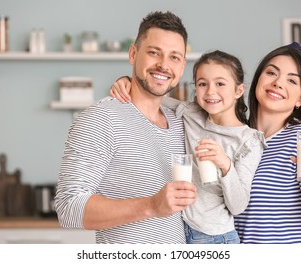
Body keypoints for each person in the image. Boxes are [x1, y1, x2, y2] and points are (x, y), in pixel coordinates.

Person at [54, 11, 197, 244]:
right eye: (154, 53)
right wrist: (151, 205)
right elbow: (69, 208)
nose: (163, 65)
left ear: (182, 67)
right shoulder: (101, 119)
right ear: (133, 53)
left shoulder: (183, 122)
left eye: (174, 57)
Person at [110, 50, 266, 244]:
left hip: (215, 238)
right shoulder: (191, 113)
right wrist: (127, 81)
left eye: (220, 83)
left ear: (238, 90)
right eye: (202, 84)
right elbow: (149, 95)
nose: (210, 91)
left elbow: (238, 206)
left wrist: (225, 164)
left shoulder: (248, 141)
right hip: (176, 232)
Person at [233, 42, 301, 243]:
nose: (278, 83)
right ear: (258, 80)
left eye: (292, 80)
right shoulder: (235, 136)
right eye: (272, 73)